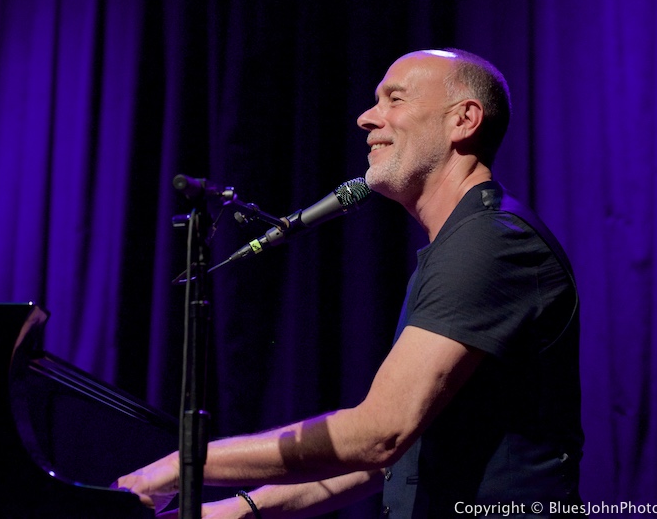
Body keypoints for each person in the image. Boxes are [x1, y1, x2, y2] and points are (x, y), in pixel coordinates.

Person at [116, 49, 583, 518]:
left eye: (393, 99)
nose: (365, 118)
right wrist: (237, 510)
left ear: (463, 120)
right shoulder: (463, 243)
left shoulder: (489, 243)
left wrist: (186, 465)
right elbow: (393, 457)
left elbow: (379, 435)